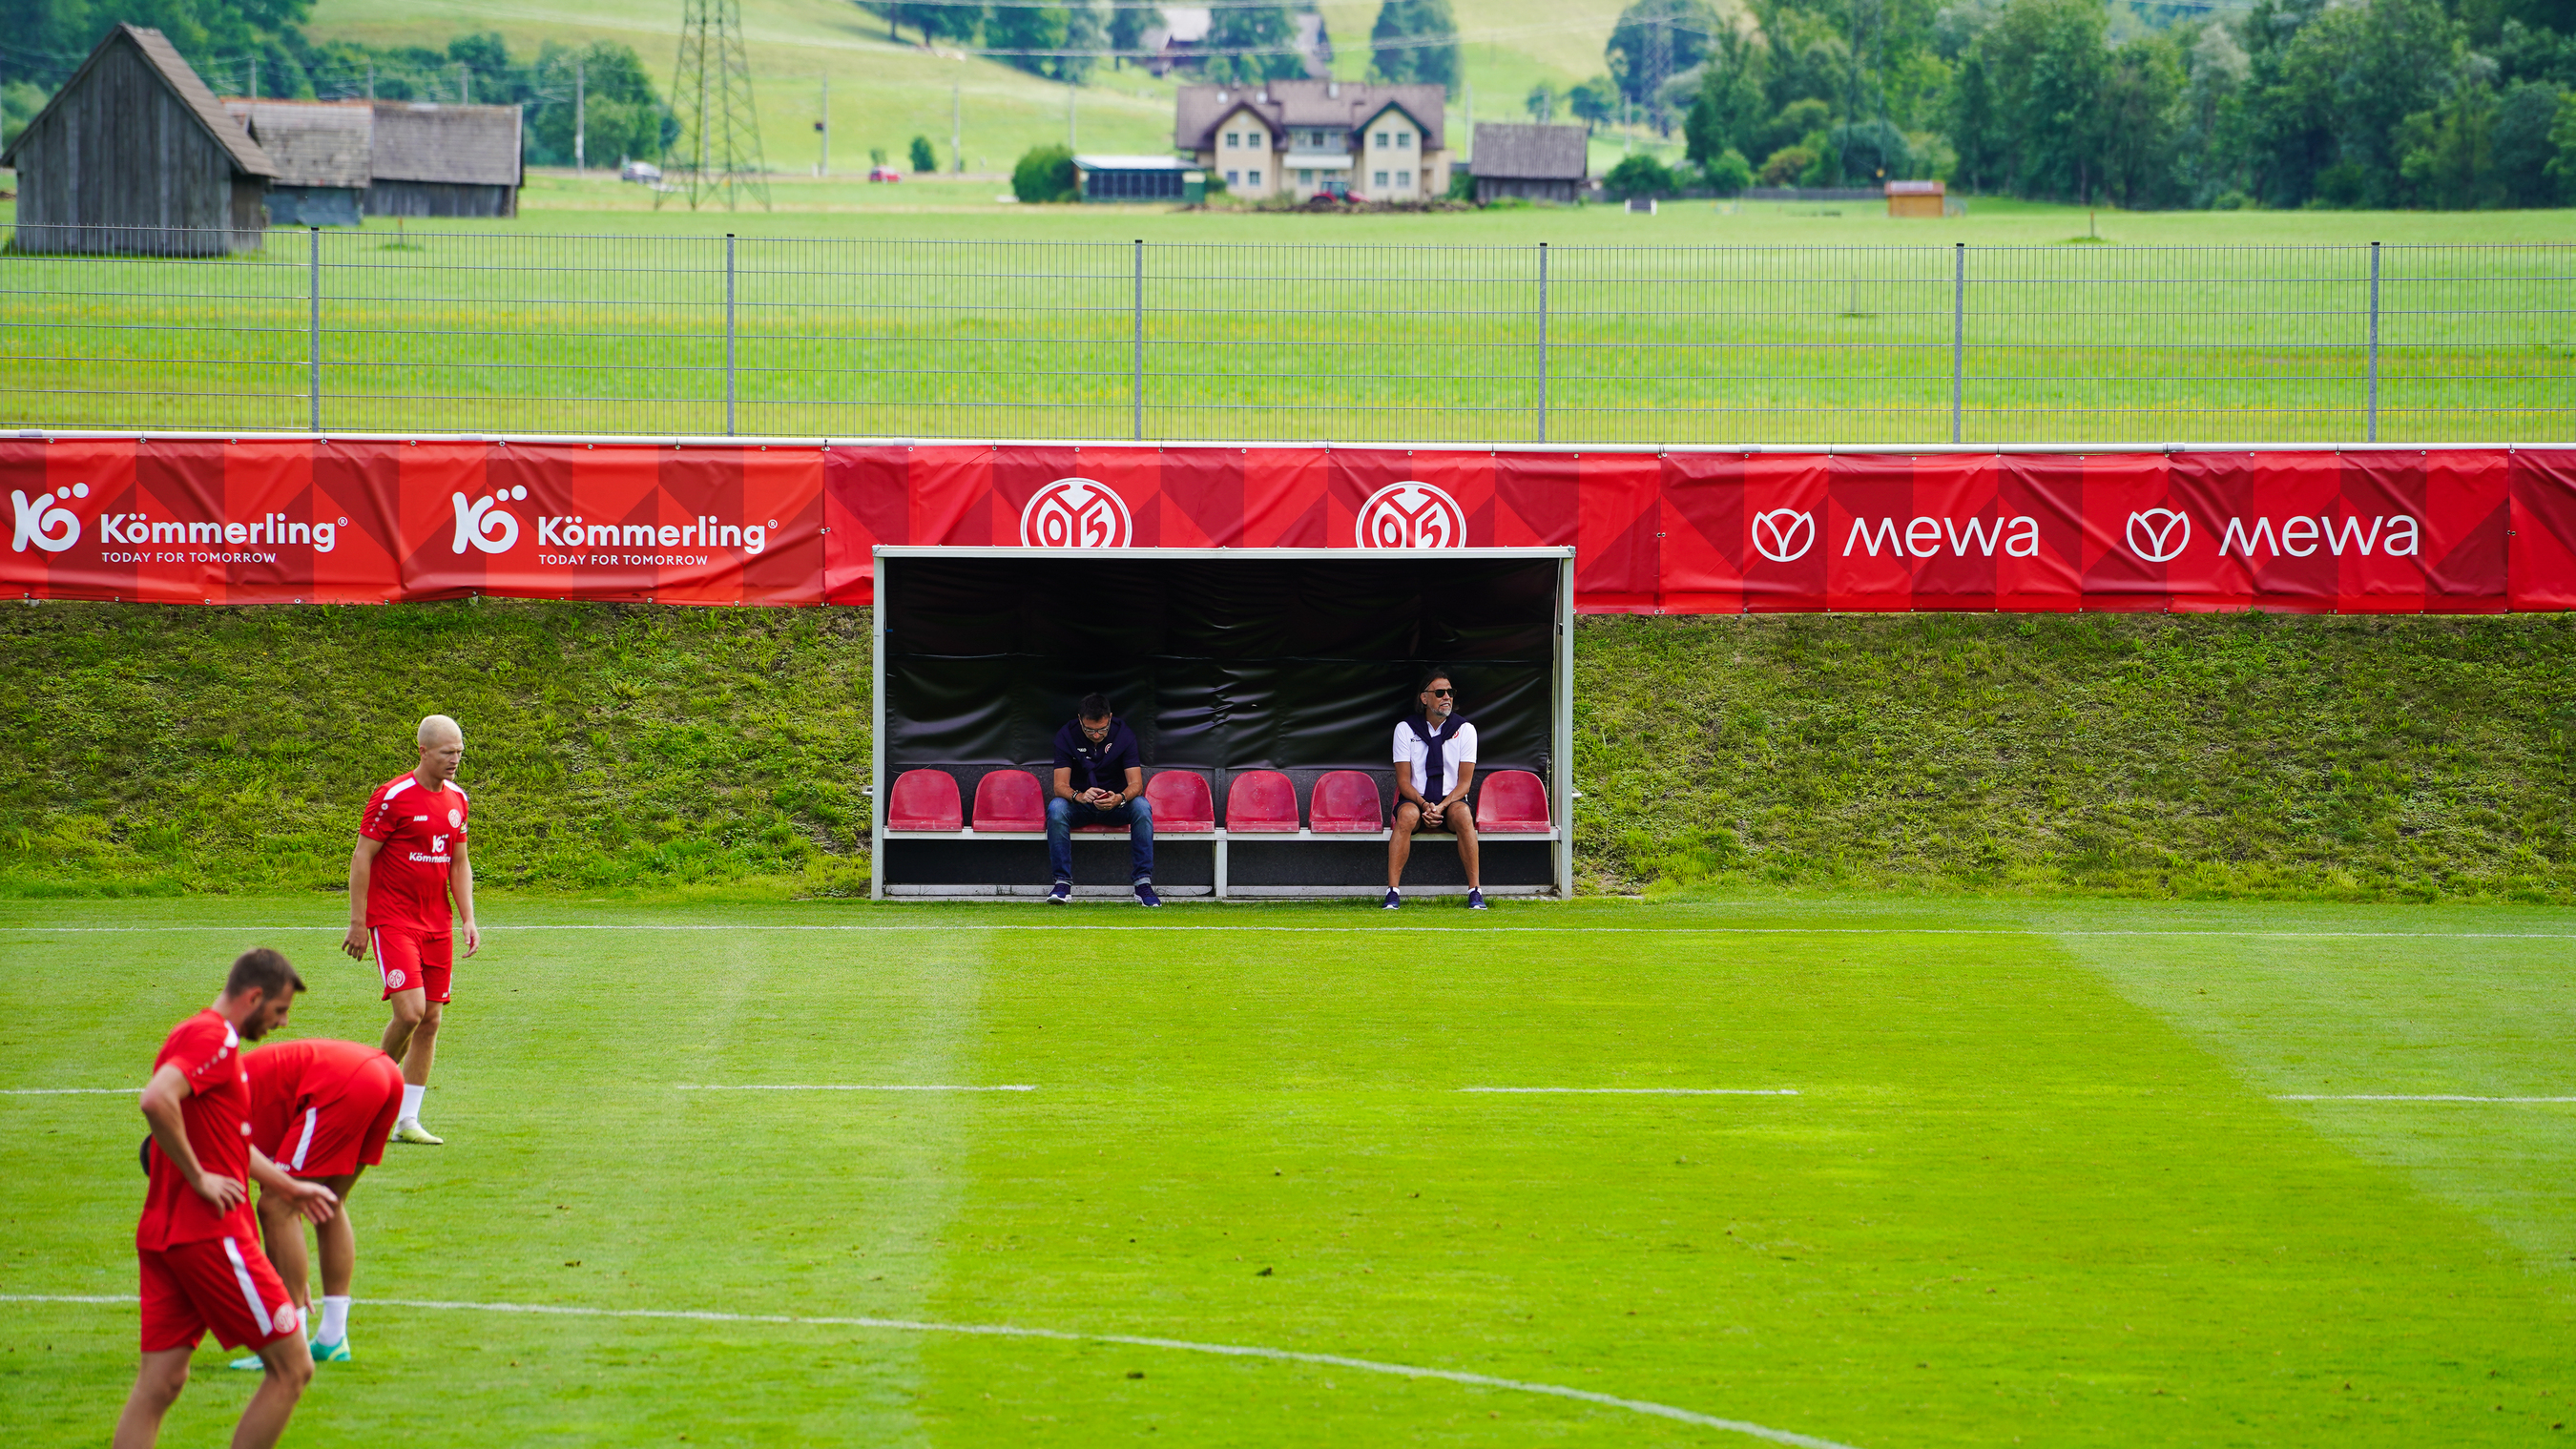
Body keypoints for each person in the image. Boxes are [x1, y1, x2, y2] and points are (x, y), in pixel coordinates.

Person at [117, 949, 340, 1449]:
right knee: (293, 1367)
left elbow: (228, 1140)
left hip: (166, 1235)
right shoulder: (215, 1038)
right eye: (279, 1011)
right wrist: (199, 1178)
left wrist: (287, 1185)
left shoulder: (195, 1035)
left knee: (161, 1383)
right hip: (211, 1234)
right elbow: (156, 1098)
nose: (282, 1023)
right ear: (254, 996)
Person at [226, 1039, 405, 1371]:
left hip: (344, 1082)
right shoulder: (221, 1103)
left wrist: (284, 1273)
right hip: (384, 1073)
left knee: (276, 1208)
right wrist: (289, 1269)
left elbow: (264, 1209)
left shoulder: (209, 1122)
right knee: (327, 1204)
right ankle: (332, 1338)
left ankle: (288, 1343)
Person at [343, 713, 479, 1145]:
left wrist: (468, 917)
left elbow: (458, 862)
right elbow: (363, 857)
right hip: (394, 920)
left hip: (436, 923)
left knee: (431, 1019)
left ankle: (406, 1121)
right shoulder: (392, 797)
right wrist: (358, 922)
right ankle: (365, 1098)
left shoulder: (458, 798)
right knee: (410, 1012)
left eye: (459, 751)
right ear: (422, 751)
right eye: (446, 752)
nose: (454, 759)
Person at [1386, 668, 1485, 911]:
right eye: (1440, 692)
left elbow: (1464, 784)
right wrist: (1423, 805)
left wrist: (1440, 806)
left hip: (1450, 803)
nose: (1447, 697)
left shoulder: (1465, 730)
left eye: (1450, 692)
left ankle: (1475, 891)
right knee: (1407, 815)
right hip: (1416, 800)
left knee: (1464, 815)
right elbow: (1403, 781)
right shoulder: (1405, 729)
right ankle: (1392, 892)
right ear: (1424, 698)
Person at [1048, 693, 1158, 906]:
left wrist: (1120, 798)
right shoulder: (1066, 736)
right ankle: (1062, 884)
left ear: (1110, 717)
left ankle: (1142, 884)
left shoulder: (1123, 735)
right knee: (1056, 808)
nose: (1096, 735)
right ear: (1080, 720)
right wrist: (1078, 796)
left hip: (1116, 805)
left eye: (1102, 729)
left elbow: (1136, 784)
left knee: (1142, 806)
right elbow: (1059, 786)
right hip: (1080, 805)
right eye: (1089, 730)